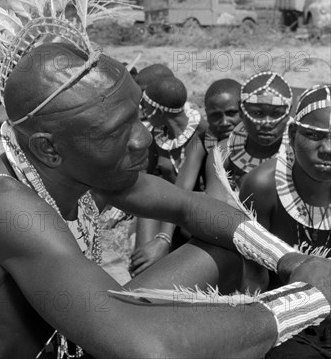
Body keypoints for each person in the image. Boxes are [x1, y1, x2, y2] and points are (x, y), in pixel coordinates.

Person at [0, 43, 331, 359]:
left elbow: (188, 207)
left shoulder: (74, 167)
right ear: (49, 148)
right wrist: (307, 299)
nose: (143, 138)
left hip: (63, 340)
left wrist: (293, 262)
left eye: (137, 118)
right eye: (115, 132)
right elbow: (147, 352)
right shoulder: (6, 210)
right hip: (63, 350)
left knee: (225, 245)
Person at [238, 84, 331, 358]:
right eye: (314, 135)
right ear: (292, 133)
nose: (327, 148)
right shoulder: (263, 186)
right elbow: (253, 278)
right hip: (286, 322)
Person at [131, 76, 206, 276]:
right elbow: (145, 176)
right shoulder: (158, 135)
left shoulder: (202, 134)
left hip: (197, 213)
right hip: (171, 210)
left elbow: (184, 192)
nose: (143, 112)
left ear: (158, 110)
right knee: (146, 207)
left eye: (145, 107)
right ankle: (143, 274)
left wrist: (163, 237)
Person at [205, 71, 293, 200]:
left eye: (276, 114)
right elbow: (214, 207)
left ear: (288, 115)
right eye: (257, 113)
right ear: (241, 113)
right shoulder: (222, 153)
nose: (266, 123)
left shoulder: (300, 153)